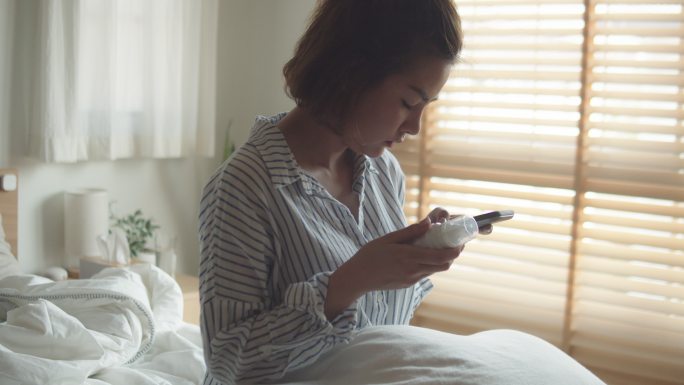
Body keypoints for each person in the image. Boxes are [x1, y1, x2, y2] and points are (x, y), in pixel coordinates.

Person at [198, 1, 482, 383]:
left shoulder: (383, 172)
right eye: (408, 103)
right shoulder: (244, 188)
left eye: (425, 107)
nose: (414, 126)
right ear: (352, 72)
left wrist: (416, 253)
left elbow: (378, 333)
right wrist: (350, 281)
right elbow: (228, 361)